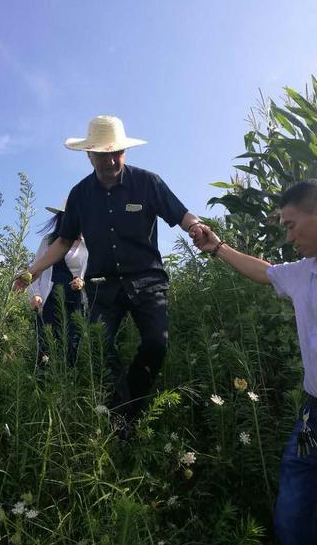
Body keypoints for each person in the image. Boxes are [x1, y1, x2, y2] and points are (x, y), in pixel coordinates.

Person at [192, 179, 317, 545]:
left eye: (291, 225)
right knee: (292, 526)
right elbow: (263, 270)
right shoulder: (301, 272)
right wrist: (217, 247)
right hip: (313, 425)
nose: (288, 236)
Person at [15, 115, 200, 424]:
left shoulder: (147, 183)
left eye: (117, 152)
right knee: (98, 347)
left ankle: (129, 408)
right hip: (102, 285)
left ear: (124, 152)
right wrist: (32, 271)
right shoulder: (80, 195)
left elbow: (180, 214)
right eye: (103, 154)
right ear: (89, 154)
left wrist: (196, 227)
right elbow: (63, 241)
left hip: (147, 280)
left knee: (157, 343)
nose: (112, 160)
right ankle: (122, 419)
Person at [27, 202, 88, 365]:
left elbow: (90, 273)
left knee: (72, 343)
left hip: (75, 299)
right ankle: (41, 384)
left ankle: (68, 383)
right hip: (50, 298)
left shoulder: (86, 244)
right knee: (45, 343)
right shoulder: (49, 241)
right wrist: (35, 294)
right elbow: (35, 269)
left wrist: (81, 281)